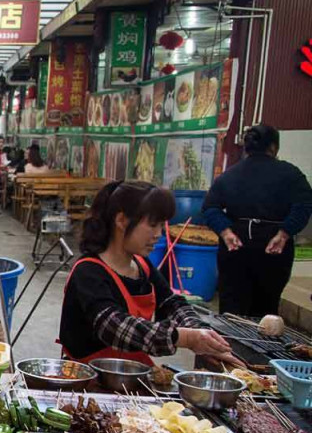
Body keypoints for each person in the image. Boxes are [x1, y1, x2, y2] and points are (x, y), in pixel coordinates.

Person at [59, 181, 242, 368]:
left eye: (162, 226)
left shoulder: (141, 265)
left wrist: (202, 334)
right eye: (153, 225)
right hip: (85, 377)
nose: (159, 234)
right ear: (122, 220)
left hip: (130, 373)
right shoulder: (88, 272)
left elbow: (172, 304)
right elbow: (116, 328)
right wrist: (186, 338)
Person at [202, 124, 312, 316]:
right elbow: (304, 205)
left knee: (232, 307)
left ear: (246, 148)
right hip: (274, 248)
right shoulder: (291, 174)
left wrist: (226, 232)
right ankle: (262, 344)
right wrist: (284, 233)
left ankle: (229, 344)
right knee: (266, 308)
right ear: (274, 148)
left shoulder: (229, 175)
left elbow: (210, 208)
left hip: (235, 247)